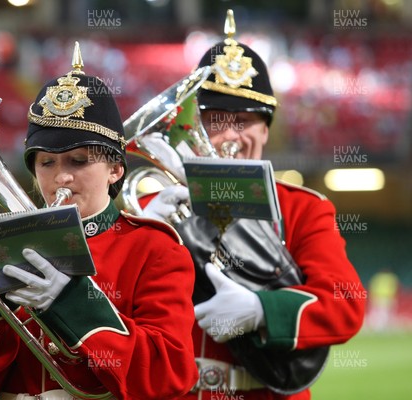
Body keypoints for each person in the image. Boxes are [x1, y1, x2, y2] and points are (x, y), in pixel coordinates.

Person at [0, 43, 199, 400]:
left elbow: (168, 376)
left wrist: (73, 301)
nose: (61, 177)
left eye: (78, 161)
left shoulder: (154, 249)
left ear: (115, 169)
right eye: (47, 163)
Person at [141, 11, 366, 400]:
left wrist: (262, 310)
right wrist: (142, 239)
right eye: (214, 120)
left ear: (266, 128)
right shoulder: (150, 206)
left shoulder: (304, 210)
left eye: (244, 120)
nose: (230, 135)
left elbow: (345, 304)